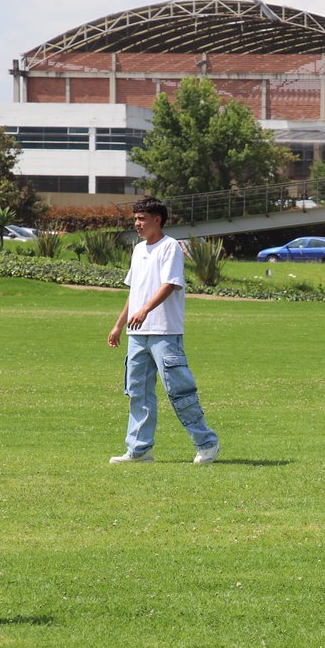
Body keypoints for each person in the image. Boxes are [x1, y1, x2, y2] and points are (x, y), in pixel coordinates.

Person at [106, 196, 219, 464]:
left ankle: (207, 444)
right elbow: (134, 292)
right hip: (137, 335)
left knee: (179, 391)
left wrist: (145, 310)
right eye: (135, 219)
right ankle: (139, 450)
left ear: (157, 220)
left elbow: (170, 284)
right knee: (138, 392)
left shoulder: (170, 247)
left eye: (142, 219)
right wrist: (119, 325)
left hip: (165, 333)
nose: (137, 224)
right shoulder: (138, 250)